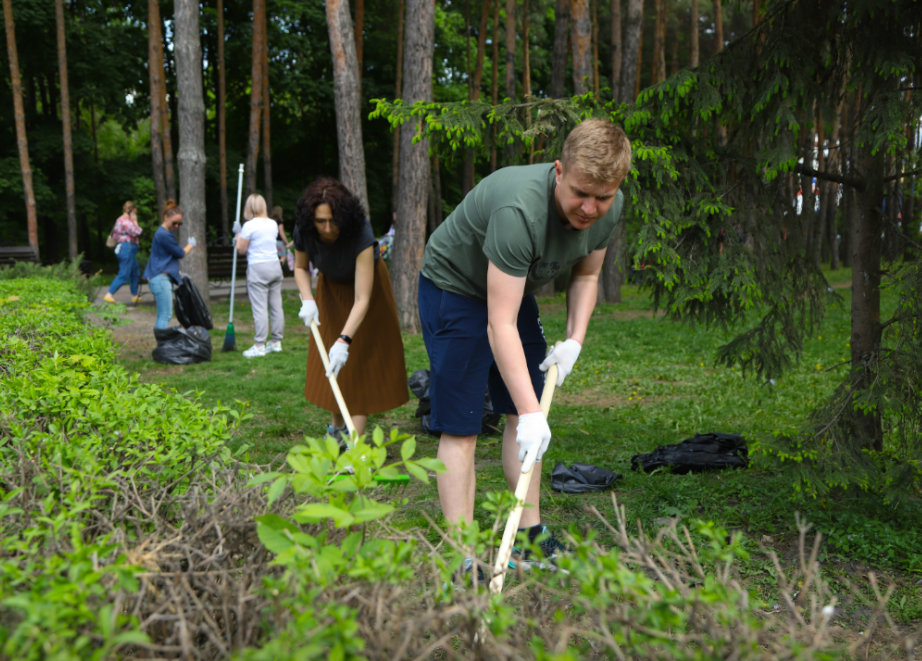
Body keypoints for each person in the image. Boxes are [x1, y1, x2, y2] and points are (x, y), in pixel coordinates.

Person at [418, 118, 631, 567]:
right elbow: (499, 324)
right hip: (455, 289)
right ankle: (462, 557)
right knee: (462, 426)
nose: (590, 209)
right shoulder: (519, 211)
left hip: (511, 293)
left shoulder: (610, 207)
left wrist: (575, 339)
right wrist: (535, 414)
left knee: (522, 413)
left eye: (602, 197)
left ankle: (528, 536)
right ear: (558, 170)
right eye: (580, 193)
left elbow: (588, 275)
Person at [293, 178, 408, 446]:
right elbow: (300, 268)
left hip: (368, 295)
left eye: (333, 221)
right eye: (321, 221)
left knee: (358, 363)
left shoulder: (360, 233)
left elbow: (362, 298)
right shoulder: (305, 229)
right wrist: (308, 299)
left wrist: (345, 340)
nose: (328, 227)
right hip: (330, 291)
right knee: (332, 363)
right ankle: (337, 429)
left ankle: (354, 443)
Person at [233, 194, 285, 357]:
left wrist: (238, 234)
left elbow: (241, 249)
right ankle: (276, 342)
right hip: (275, 266)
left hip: (258, 267)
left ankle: (259, 345)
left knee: (260, 308)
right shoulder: (273, 224)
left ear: (250, 207)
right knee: (276, 305)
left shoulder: (249, 225)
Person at [142, 199, 196, 329]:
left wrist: (176, 272)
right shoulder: (164, 234)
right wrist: (191, 245)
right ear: (166, 217)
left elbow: (165, 257)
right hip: (160, 279)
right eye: (174, 223)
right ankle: (162, 346)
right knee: (165, 315)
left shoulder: (165, 233)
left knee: (163, 315)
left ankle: (161, 346)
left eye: (179, 223)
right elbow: (180, 253)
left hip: (160, 277)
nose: (176, 226)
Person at [104, 201, 144, 304]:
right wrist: (135, 221)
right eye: (134, 212)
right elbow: (137, 232)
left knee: (135, 271)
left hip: (127, 249)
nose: (135, 215)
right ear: (129, 210)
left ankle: (135, 295)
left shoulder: (119, 220)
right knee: (124, 273)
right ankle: (109, 294)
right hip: (127, 249)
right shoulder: (125, 221)